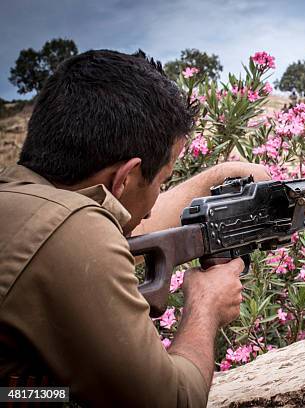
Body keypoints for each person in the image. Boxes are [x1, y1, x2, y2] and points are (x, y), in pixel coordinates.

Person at [0, 49, 269, 406]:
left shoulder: (21, 201)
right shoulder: (75, 230)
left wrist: (221, 178)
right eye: (162, 181)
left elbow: (120, 226)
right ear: (125, 178)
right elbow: (171, 400)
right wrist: (206, 305)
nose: (155, 202)